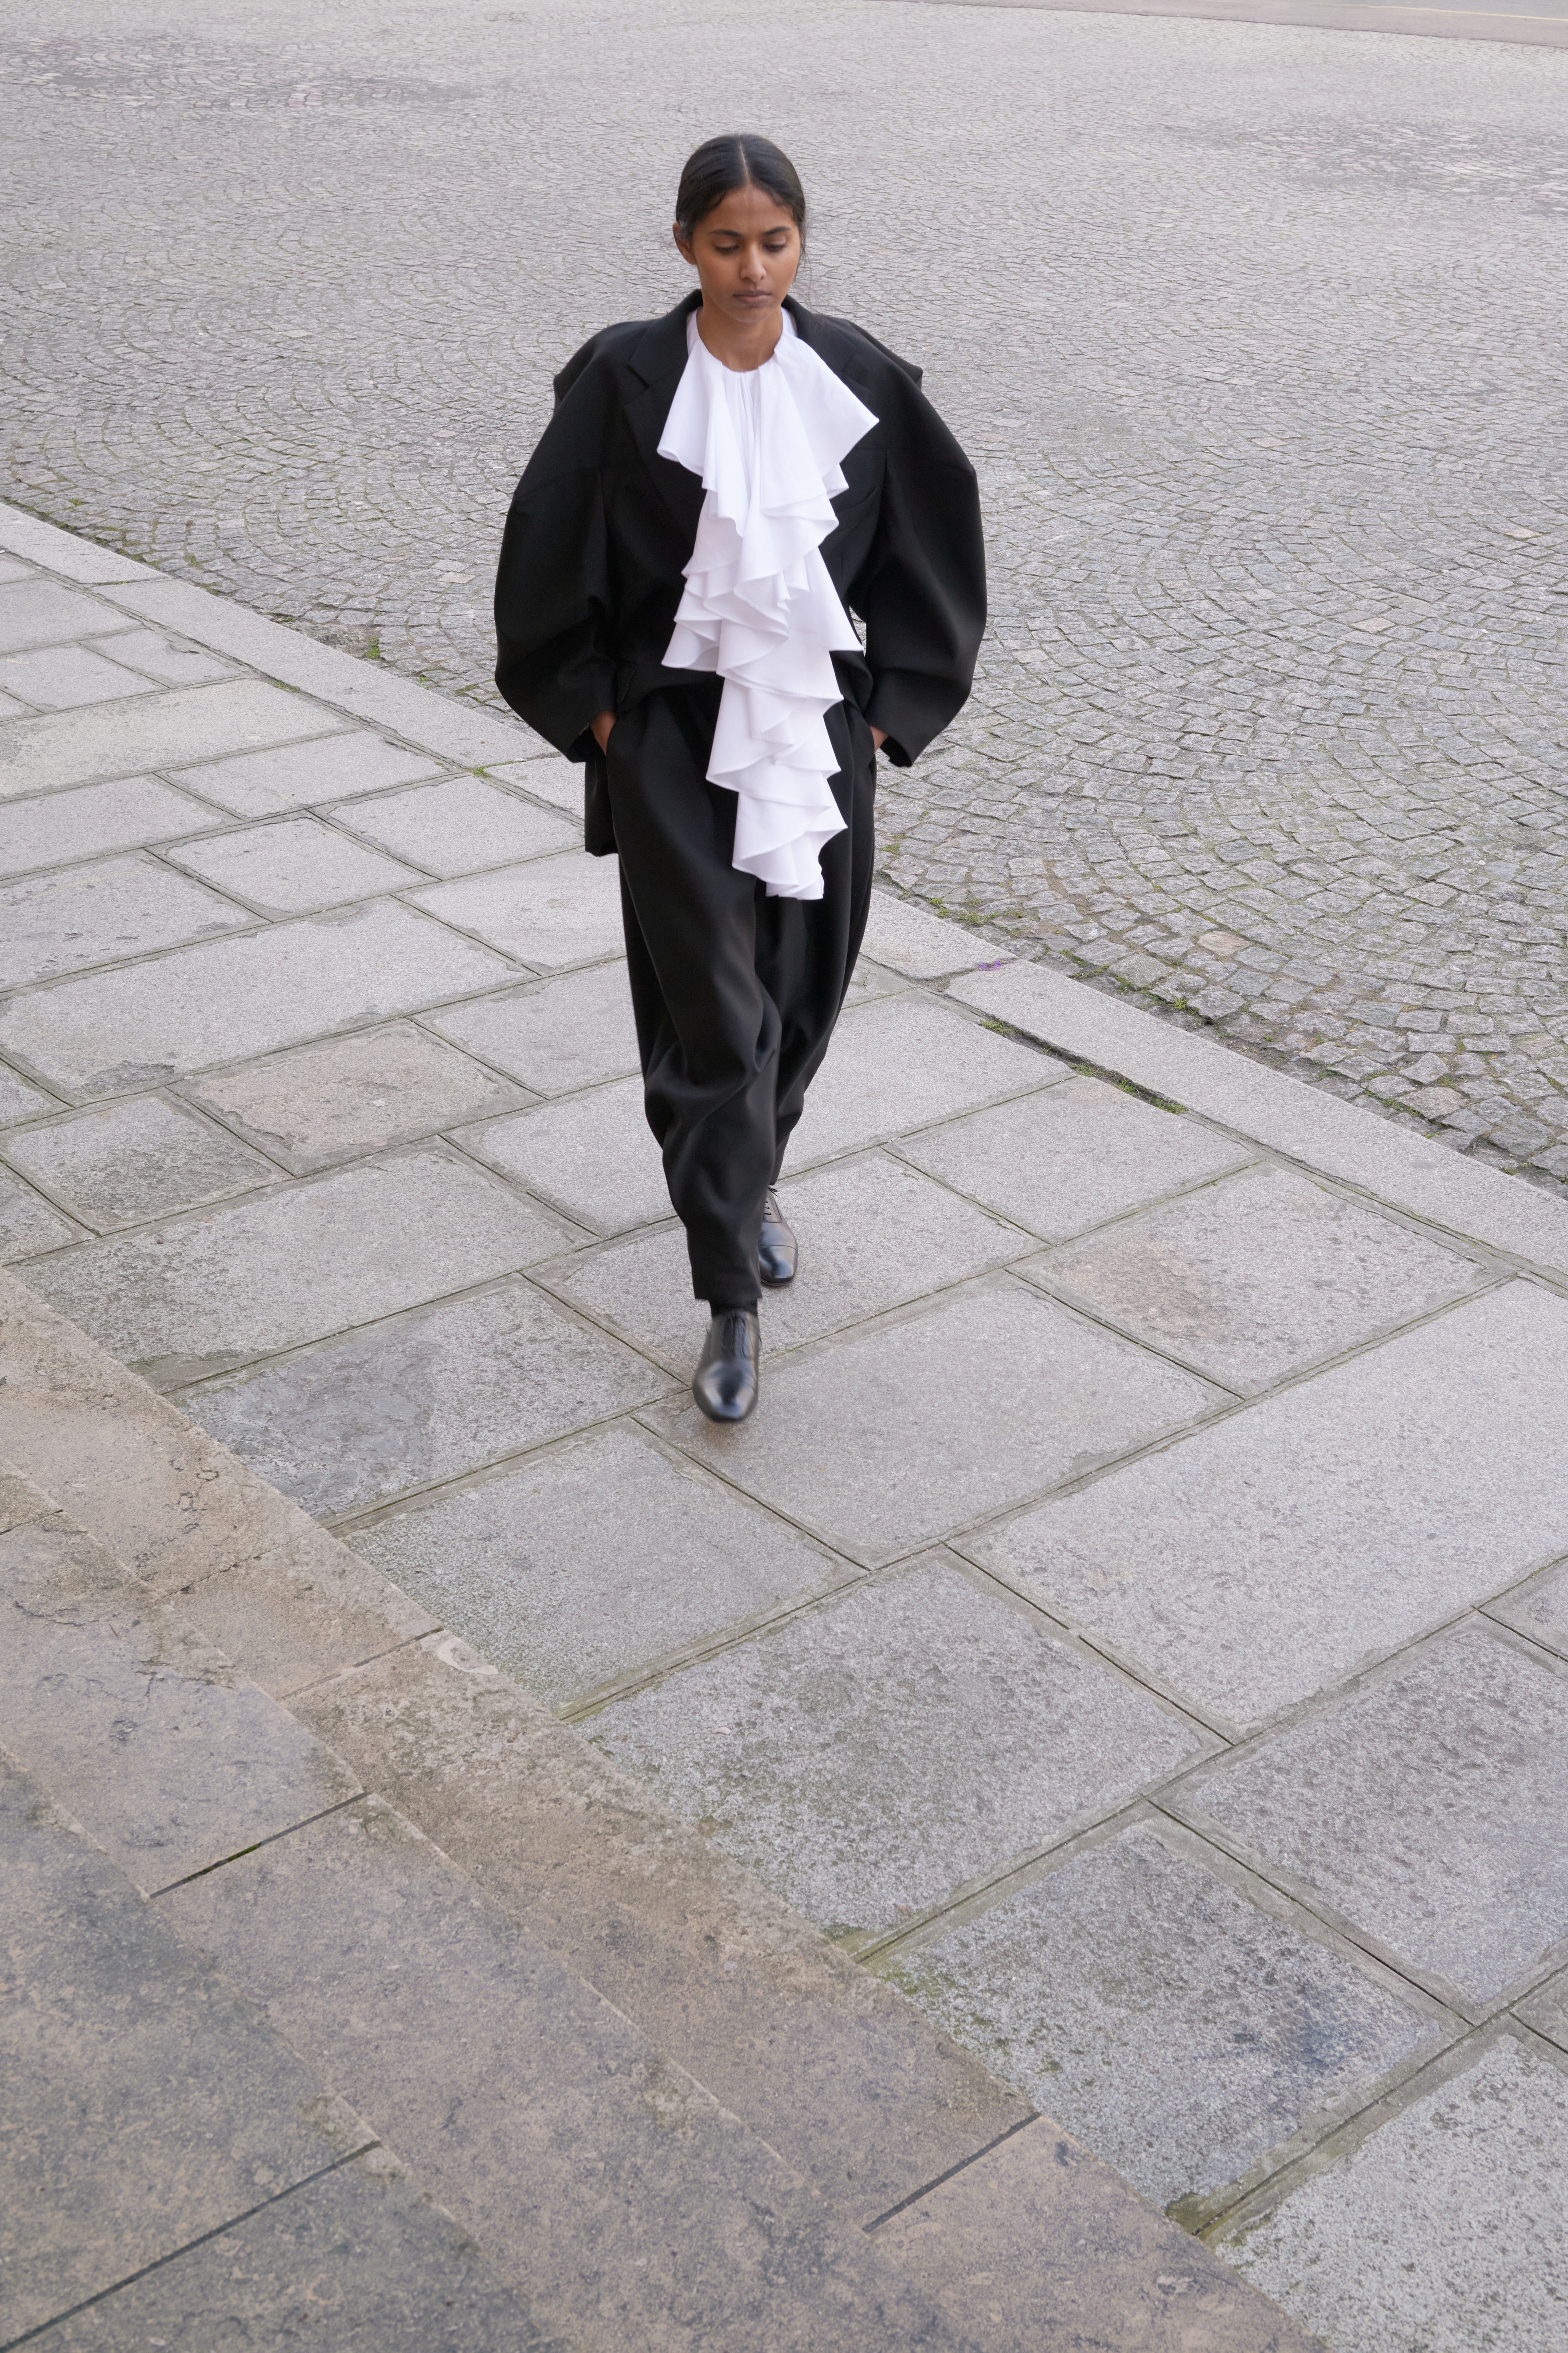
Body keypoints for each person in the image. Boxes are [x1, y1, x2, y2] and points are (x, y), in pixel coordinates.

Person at [494, 134, 985, 1424]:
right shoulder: (623, 377)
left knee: (802, 986)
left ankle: (754, 1173)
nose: (752, 269)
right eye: (726, 244)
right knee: (712, 1011)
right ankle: (728, 1298)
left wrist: (890, 712)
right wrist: (598, 712)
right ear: (683, 247)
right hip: (667, 730)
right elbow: (549, 536)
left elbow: (934, 535)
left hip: (817, 726)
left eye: (774, 242)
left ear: (800, 242)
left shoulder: (860, 376)